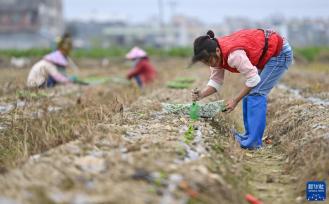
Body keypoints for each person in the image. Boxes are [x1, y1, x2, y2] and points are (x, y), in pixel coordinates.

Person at [190, 29, 293, 149]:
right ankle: (248, 136)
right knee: (250, 92)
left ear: (217, 51)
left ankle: (254, 142)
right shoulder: (215, 55)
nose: (209, 65)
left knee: (256, 93)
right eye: (205, 63)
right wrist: (201, 95)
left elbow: (254, 79)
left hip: (279, 53)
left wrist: (235, 100)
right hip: (266, 53)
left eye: (209, 61)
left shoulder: (234, 56)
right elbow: (216, 82)